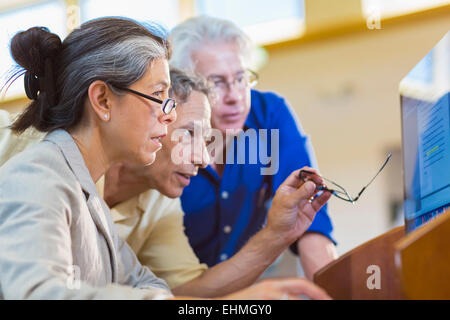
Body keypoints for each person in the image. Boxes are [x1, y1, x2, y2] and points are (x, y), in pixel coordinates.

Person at [0, 23, 330, 299]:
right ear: (102, 100)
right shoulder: (37, 172)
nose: (166, 117)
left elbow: (165, 289)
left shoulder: (98, 210)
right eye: (160, 98)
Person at [103, 69, 331, 298]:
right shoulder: (75, 169)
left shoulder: (160, 202)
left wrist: (278, 235)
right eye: (190, 133)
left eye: (206, 140)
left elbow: (189, 289)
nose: (203, 160)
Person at [0, 17, 177, 299]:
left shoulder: (90, 198)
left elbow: (149, 284)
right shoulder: (37, 178)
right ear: (103, 100)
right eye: (158, 94)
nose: (171, 114)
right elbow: (36, 294)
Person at [169, 16, 338, 279]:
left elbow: (307, 212)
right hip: (178, 291)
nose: (235, 97)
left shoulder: (270, 114)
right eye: (216, 83)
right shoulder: (166, 131)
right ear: (183, 89)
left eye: (240, 78)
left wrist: (333, 292)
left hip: (246, 287)